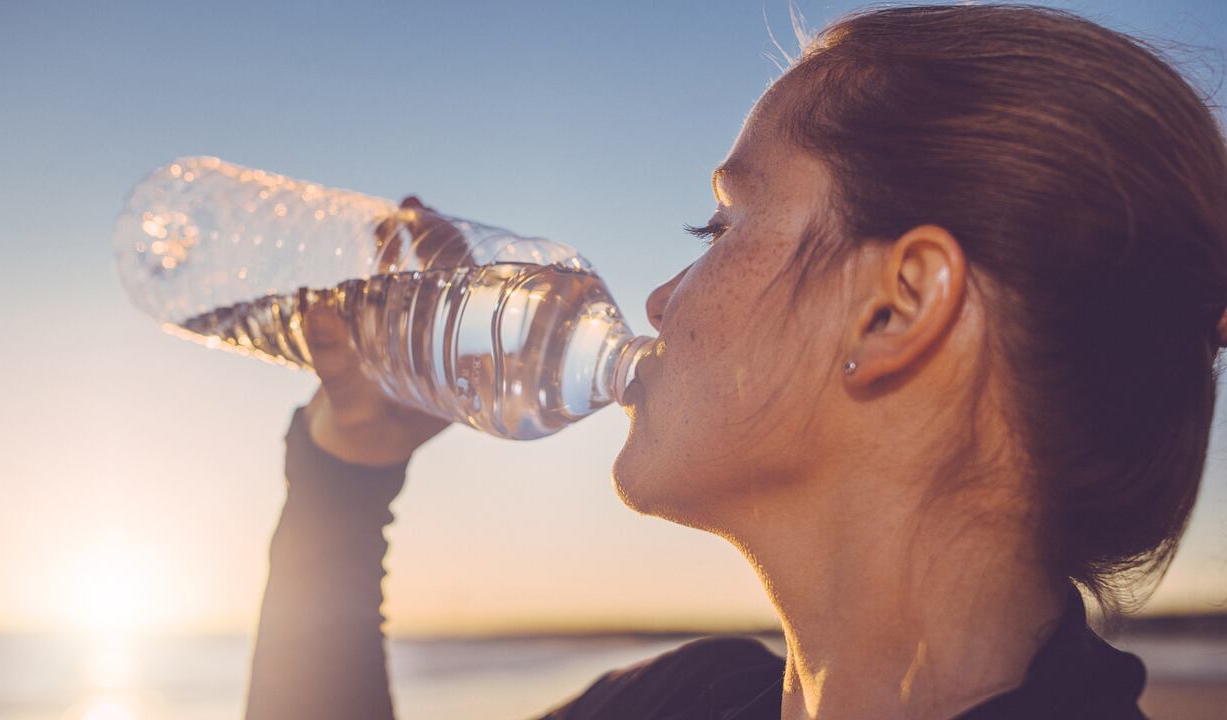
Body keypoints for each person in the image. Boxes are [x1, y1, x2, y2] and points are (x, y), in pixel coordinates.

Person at [242, 4, 1227, 719]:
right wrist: (347, 468)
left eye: (719, 223)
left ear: (894, 309)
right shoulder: (682, 703)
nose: (661, 298)